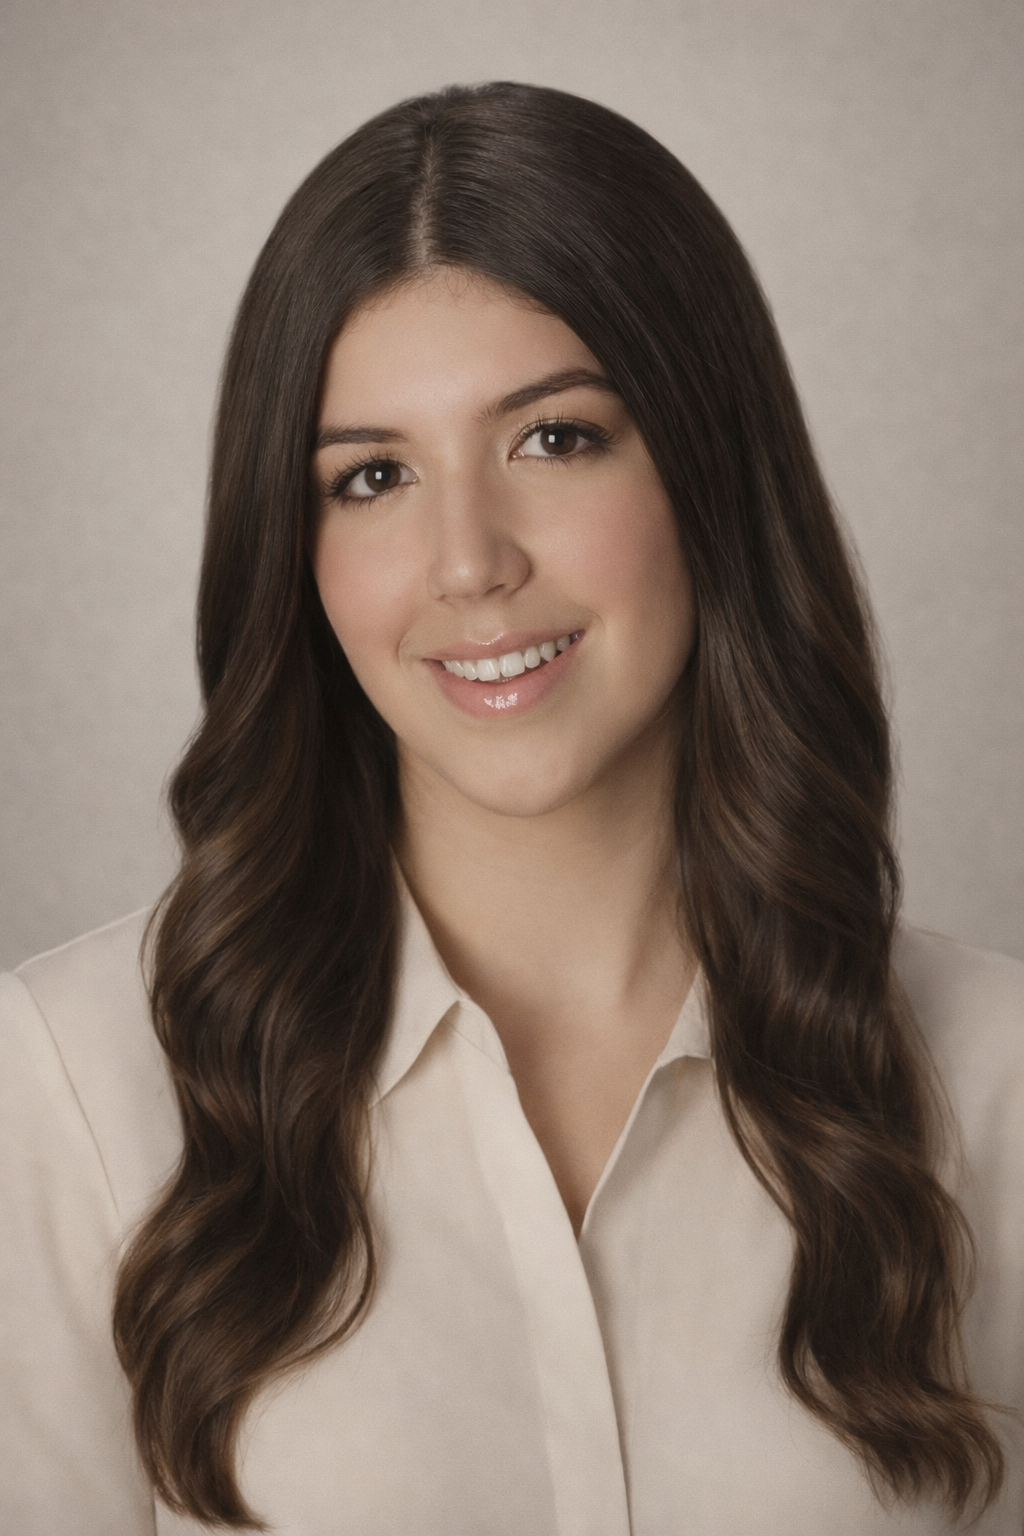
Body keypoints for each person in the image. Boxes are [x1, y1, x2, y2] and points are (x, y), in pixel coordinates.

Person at [1, 81, 1021, 1536]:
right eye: (371, 478)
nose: (467, 561)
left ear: (710, 473)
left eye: (555, 440)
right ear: (296, 557)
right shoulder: (68, 1091)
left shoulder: (996, 1086)